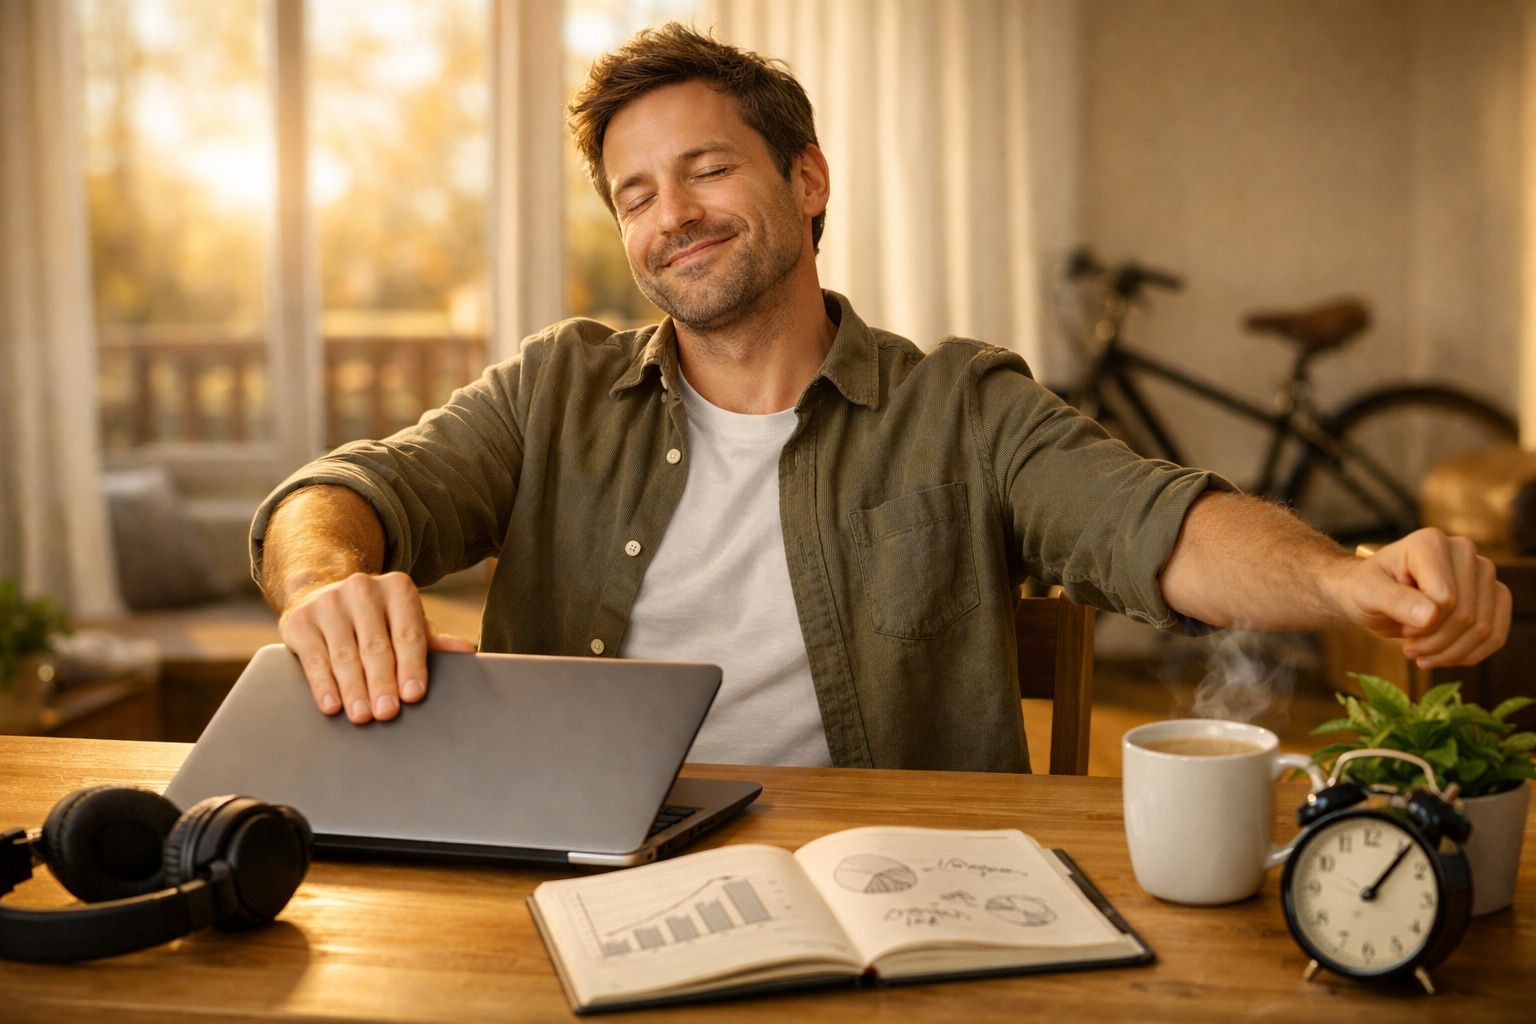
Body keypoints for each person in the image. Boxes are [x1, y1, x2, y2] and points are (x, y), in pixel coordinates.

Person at [252, 24, 1509, 772]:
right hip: (574, 861)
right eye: (636, 194)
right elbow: (343, 493)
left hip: (882, 883)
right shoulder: (553, 387)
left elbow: (1154, 522)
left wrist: (1345, 579)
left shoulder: (961, 404)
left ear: (807, 179)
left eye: (705, 171)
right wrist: (325, 583)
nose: (671, 215)